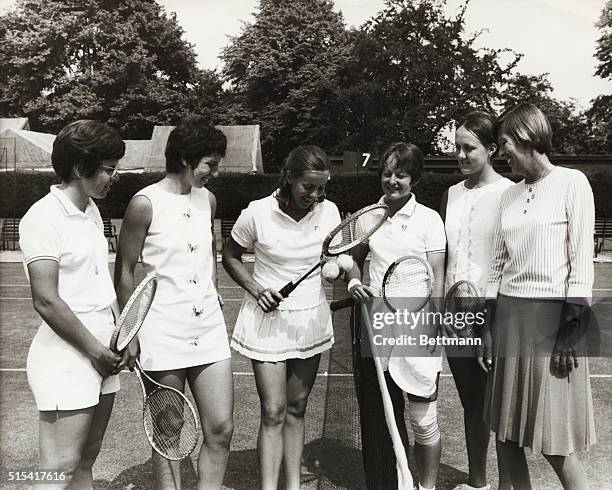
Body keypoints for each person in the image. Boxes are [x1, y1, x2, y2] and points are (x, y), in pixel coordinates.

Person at [478, 103, 596, 489]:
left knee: (555, 443)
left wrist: (569, 332)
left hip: (552, 324)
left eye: (504, 142)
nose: (501, 152)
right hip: (509, 318)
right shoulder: (508, 196)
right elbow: (496, 266)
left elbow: (581, 265)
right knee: (506, 434)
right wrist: (487, 325)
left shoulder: (572, 182)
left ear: (527, 136)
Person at [114, 116, 233, 489]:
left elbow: (210, 253)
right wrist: (129, 333)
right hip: (161, 331)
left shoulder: (208, 200)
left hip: (208, 328)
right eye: (210, 164)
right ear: (185, 158)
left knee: (221, 428)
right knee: (169, 429)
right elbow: (124, 272)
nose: (214, 171)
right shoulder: (144, 204)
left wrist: (210, 289)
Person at [222, 145, 341, 490]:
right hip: (267, 321)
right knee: (273, 410)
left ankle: (292, 485)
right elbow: (231, 255)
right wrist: (257, 289)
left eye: (322, 188)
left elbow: (336, 256)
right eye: (309, 187)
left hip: (309, 319)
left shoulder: (329, 211)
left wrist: (338, 267)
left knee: (297, 406)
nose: (316, 196)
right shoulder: (256, 213)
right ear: (289, 177)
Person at [19, 120, 125, 488]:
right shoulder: (42, 217)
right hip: (66, 358)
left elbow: (98, 285)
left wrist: (122, 335)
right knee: (57, 469)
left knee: (85, 459)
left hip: (102, 354)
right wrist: (96, 350)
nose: (115, 176)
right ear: (81, 168)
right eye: (110, 169)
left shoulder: (92, 211)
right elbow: (46, 301)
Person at [346, 142, 446, 490]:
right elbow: (353, 259)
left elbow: (438, 276)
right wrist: (355, 280)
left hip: (418, 328)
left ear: (414, 178)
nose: (392, 181)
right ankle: (394, 483)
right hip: (379, 328)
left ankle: (427, 486)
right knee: (384, 416)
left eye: (401, 174)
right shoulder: (369, 216)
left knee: (422, 419)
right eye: (387, 173)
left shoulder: (429, 219)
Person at [440, 111, 513, 490]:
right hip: (455, 315)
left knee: (499, 407)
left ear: (492, 149)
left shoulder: (510, 193)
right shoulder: (450, 194)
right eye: (457, 148)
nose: (461, 155)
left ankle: (506, 486)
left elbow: (509, 259)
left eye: (469, 148)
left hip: (494, 313)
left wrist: (490, 318)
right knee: (472, 403)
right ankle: (478, 483)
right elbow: (444, 257)